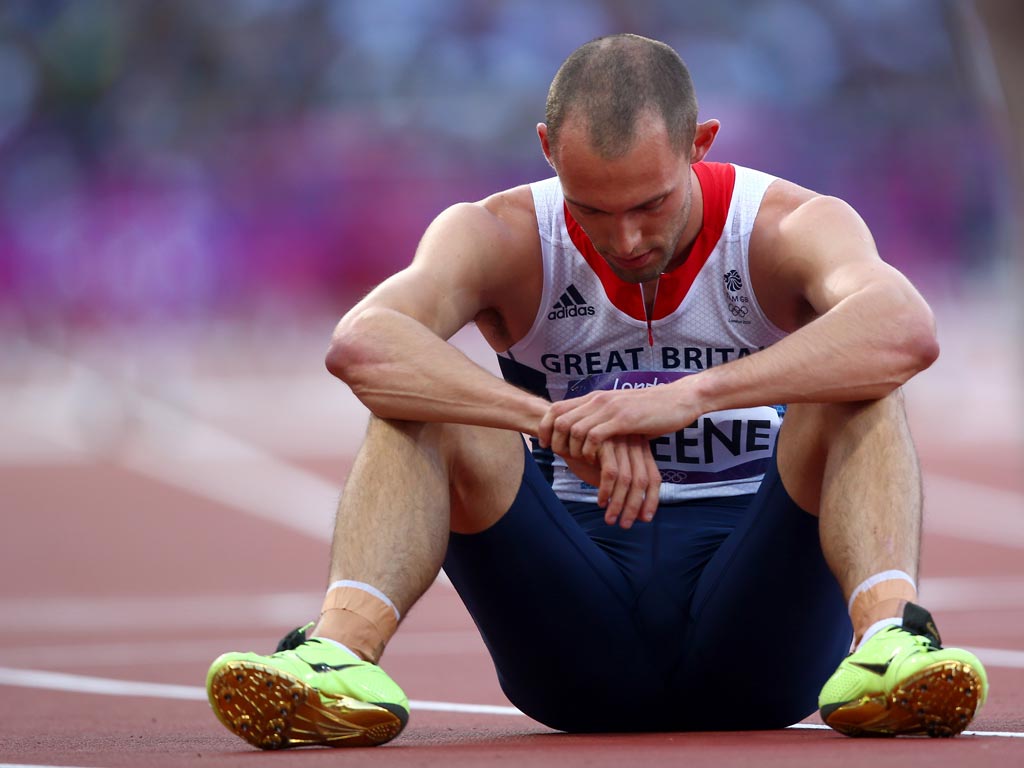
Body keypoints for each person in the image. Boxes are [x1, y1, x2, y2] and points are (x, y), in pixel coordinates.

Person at [205, 33, 988, 748]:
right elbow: (363, 344)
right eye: (593, 209)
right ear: (547, 151)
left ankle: (890, 642)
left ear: (699, 144)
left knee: (860, 381)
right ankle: (337, 659)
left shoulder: (785, 226)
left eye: (652, 203)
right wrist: (551, 421)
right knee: (421, 405)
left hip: (762, 636)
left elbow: (904, 329)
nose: (627, 240)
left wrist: (690, 395)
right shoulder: (501, 234)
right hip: (573, 642)